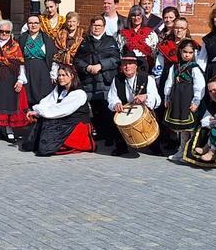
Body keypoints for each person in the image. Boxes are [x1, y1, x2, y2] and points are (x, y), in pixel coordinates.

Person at [21, 66, 94, 156]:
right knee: (41, 121)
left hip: (75, 124)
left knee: (47, 124)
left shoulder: (79, 93)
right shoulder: (60, 89)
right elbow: (48, 101)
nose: (60, 78)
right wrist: (36, 110)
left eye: (63, 75)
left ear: (71, 76)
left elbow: (61, 110)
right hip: (64, 120)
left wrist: (40, 112)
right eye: (59, 75)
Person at [75, 16, 120, 148]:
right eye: (94, 25)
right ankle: (99, 133)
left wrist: (101, 65)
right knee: (95, 109)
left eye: (99, 26)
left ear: (104, 27)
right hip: (90, 81)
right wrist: (87, 67)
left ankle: (110, 136)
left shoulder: (110, 41)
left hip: (106, 80)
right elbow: (77, 60)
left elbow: (116, 59)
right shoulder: (84, 43)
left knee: (108, 109)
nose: (96, 28)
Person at [106, 52, 162, 156]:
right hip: (125, 109)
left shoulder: (147, 79)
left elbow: (157, 99)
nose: (127, 66)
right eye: (124, 64)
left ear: (136, 65)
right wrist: (116, 104)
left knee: (152, 117)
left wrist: (145, 97)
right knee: (115, 117)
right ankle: (121, 146)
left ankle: (155, 146)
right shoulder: (117, 79)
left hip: (144, 109)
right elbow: (112, 97)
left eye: (130, 63)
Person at [163, 39, 206, 161]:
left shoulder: (194, 68)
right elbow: (169, 82)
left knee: (191, 128)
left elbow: (200, 86)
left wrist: (196, 102)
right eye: (185, 52)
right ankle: (181, 151)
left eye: (190, 52)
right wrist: (167, 97)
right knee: (181, 129)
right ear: (180, 51)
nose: (187, 55)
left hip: (188, 101)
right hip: (177, 100)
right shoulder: (175, 67)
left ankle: (190, 152)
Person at [17, 15, 59, 108]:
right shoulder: (22, 38)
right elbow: (17, 57)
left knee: (43, 96)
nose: (33, 25)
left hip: (42, 71)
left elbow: (54, 56)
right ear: (27, 25)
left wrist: (53, 72)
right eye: (30, 23)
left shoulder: (46, 39)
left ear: (40, 24)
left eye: (36, 23)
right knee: (27, 95)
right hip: (26, 70)